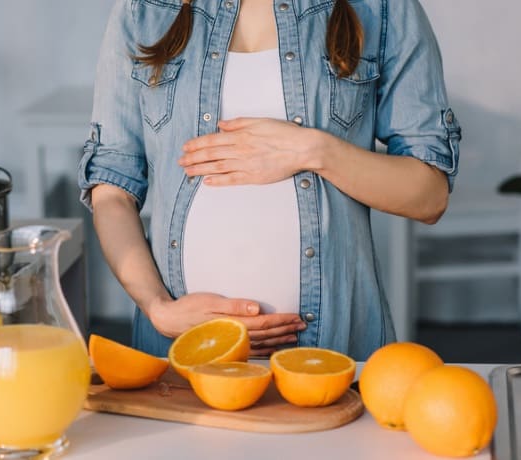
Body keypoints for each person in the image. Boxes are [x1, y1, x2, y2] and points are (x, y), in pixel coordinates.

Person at [78, 0, 460, 361]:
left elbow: (428, 196)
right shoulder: (143, 9)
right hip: (179, 349)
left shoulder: (381, 7)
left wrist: (314, 150)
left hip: (332, 350)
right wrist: (158, 308)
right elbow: (112, 191)